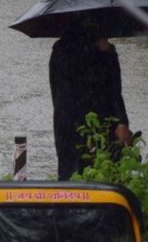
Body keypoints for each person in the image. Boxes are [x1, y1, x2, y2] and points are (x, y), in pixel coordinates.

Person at [49, 18, 133, 180]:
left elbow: (114, 90)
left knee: (106, 170)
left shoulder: (103, 51)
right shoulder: (64, 51)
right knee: (74, 170)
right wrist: (104, 54)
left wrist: (122, 122)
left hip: (102, 123)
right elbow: (71, 90)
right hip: (72, 123)